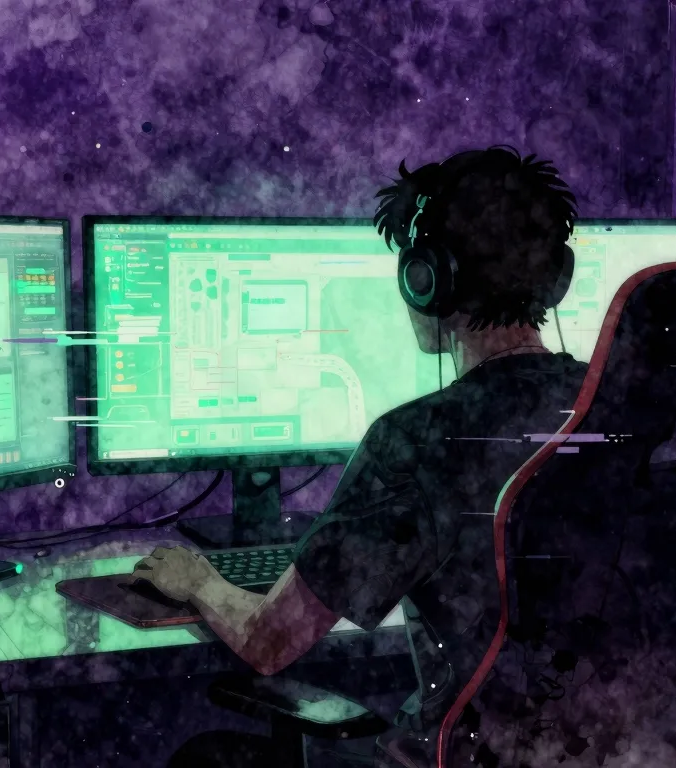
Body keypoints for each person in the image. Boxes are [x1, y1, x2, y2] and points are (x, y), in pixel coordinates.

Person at [137, 146, 588, 767]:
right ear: (556, 278)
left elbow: (270, 642)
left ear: (429, 280)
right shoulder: (621, 413)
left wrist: (200, 581)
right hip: (612, 751)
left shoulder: (419, 442)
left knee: (205, 758)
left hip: (461, 757)